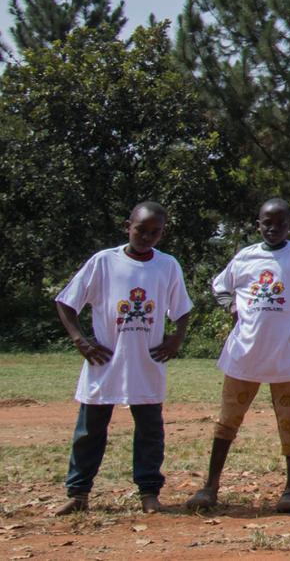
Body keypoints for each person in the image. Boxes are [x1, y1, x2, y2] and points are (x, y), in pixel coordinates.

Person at [185, 198, 290, 513]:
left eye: (280, 223)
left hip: (284, 358)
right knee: (227, 422)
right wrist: (230, 306)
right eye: (266, 223)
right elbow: (220, 286)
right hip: (242, 356)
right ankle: (210, 486)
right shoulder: (245, 257)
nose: (273, 228)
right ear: (257, 224)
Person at [51, 201, 195, 515]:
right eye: (141, 230)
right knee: (89, 430)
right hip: (105, 361)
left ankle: (148, 493)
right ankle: (78, 494)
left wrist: (176, 338)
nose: (147, 237)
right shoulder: (103, 262)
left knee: (150, 430)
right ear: (127, 226)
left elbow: (182, 309)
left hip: (146, 362)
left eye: (154, 232)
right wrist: (81, 340)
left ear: (162, 233)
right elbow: (66, 302)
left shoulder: (167, 265)